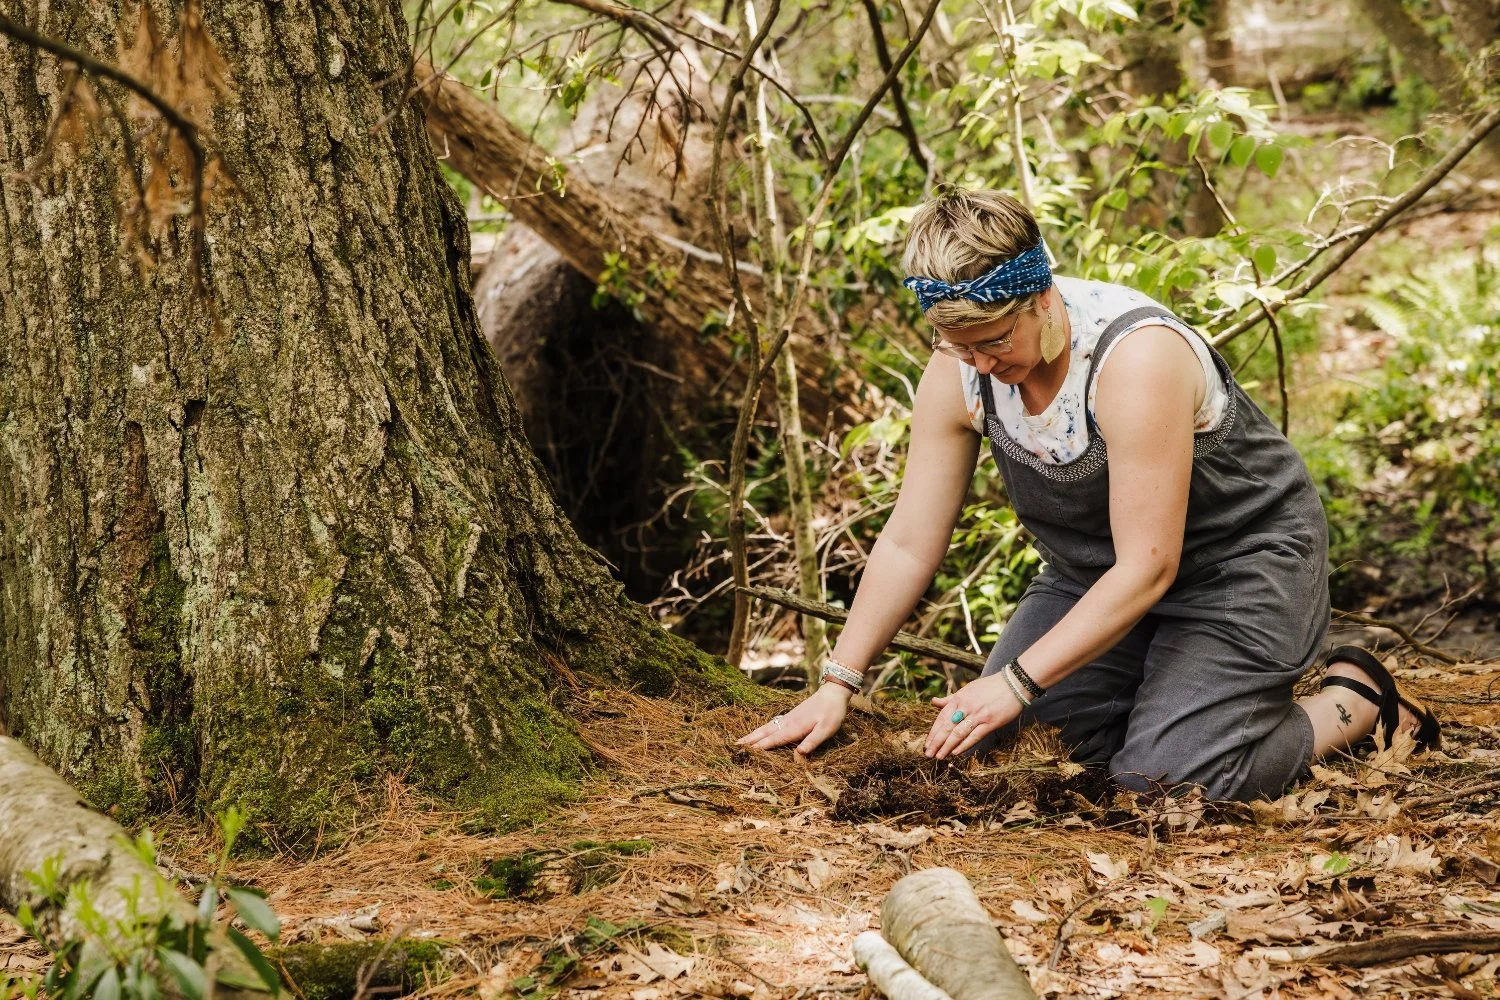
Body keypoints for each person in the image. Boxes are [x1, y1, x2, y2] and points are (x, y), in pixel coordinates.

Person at [737, 189, 1440, 801]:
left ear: (1042, 297)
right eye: (959, 347)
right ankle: (1177, 695)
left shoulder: (1134, 359)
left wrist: (1014, 681)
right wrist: (839, 682)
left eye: (993, 340)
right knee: (996, 752)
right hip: (1091, 580)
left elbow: (1149, 566)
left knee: (1166, 778)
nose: (981, 365)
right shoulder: (961, 369)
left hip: (1240, 567)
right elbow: (909, 538)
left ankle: (1355, 702)